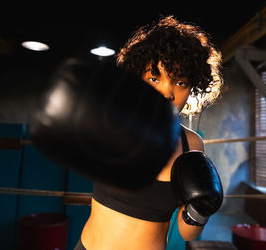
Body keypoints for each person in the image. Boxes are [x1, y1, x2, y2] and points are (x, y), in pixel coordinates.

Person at [74, 15, 224, 250]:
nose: (168, 93)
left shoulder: (190, 145)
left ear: (192, 87)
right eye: (155, 78)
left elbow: (187, 234)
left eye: (181, 82)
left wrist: (200, 209)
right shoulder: (114, 123)